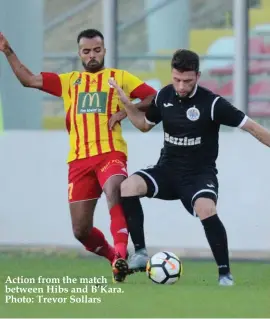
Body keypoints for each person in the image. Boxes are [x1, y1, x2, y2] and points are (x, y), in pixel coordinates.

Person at [0, 29, 156, 282]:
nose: (92, 55)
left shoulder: (119, 77)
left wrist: (126, 110)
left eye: (97, 50)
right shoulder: (69, 81)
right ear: (79, 54)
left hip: (110, 152)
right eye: (87, 51)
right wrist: (7, 51)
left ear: (104, 51)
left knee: (115, 189)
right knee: (81, 230)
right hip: (79, 161)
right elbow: (28, 79)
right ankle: (114, 259)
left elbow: (153, 96)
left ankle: (120, 251)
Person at [109, 49, 270, 286]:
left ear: (198, 75)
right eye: (177, 80)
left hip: (198, 175)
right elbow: (144, 125)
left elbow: (253, 128)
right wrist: (127, 104)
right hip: (167, 171)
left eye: (187, 81)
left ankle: (225, 274)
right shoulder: (164, 95)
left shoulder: (212, 103)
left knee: (206, 209)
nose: (181, 86)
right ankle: (141, 253)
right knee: (128, 186)